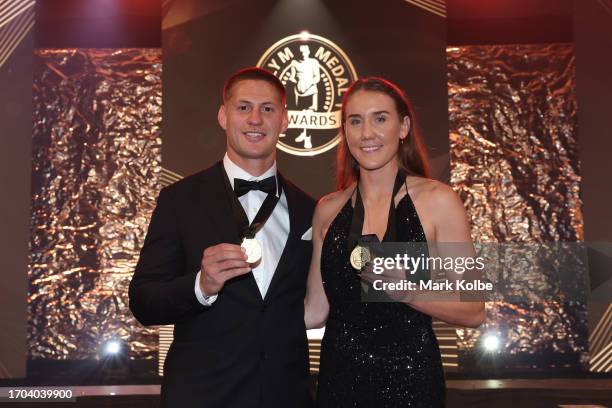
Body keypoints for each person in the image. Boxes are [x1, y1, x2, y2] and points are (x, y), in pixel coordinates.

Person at [129, 67, 315, 407]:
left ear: (285, 121)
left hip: (286, 396)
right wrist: (201, 286)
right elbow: (143, 301)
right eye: (243, 107)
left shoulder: (310, 209)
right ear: (223, 116)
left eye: (268, 109)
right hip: (203, 395)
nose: (255, 119)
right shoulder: (179, 200)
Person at [304, 77, 485, 407]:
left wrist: (409, 291)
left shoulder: (440, 201)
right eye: (355, 121)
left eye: (380, 118)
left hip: (411, 382)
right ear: (345, 130)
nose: (367, 133)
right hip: (338, 381)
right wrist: (243, 312)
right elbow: (315, 311)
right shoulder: (327, 210)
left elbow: (474, 308)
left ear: (403, 127)